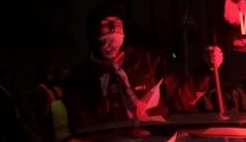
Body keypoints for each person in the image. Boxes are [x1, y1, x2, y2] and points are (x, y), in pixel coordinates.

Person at [65, 13, 223, 128]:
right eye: (105, 42)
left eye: (116, 40)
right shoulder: (83, 76)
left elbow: (181, 96)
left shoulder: (148, 62)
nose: (111, 47)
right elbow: (80, 122)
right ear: (95, 42)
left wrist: (207, 68)